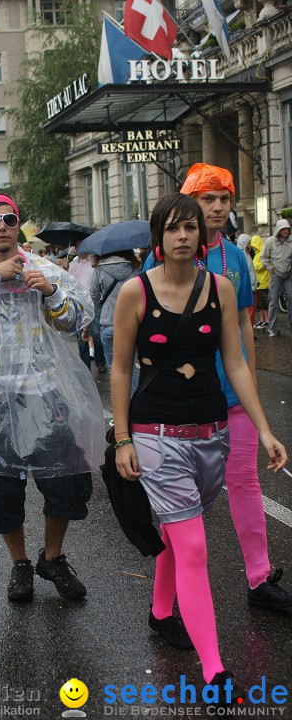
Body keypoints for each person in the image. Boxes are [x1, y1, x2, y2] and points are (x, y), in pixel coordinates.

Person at [112, 192, 287, 704]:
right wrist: (123, 437)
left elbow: (235, 364)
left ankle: (161, 611)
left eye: (191, 227)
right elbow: (120, 369)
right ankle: (215, 673)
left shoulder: (223, 289)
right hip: (156, 437)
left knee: (178, 532)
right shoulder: (134, 292)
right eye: (173, 229)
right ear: (159, 239)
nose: (184, 236)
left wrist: (265, 429)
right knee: (192, 545)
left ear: (204, 235)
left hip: (211, 433)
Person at [0, 193, 104, 602]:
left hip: (46, 395)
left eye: (8, 219)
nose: (0, 227)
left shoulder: (46, 269)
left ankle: (52, 557)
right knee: (0, 493)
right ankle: (20, 564)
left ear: (18, 225)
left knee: (65, 483)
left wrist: (51, 292)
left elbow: (77, 323)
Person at [177, 163, 292, 611]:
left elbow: (245, 326)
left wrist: (253, 392)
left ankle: (259, 578)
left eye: (225, 198)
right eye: (209, 198)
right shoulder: (164, 255)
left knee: (244, 481)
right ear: (192, 201)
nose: (220, 207)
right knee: (186, 495)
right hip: (183, 400)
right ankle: (178, 595)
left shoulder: (237, 257)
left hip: (232, 396)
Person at [89, 250, 141, 372]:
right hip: (131, 324)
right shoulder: (135, 267)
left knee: (115, 369)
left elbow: (93, 299)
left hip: (108, 323)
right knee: (130, 367)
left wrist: (86, 327)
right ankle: (132, 392)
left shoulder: (99, 270)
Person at [68, 241, 107, 373]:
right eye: (76, 245)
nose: (78, 248)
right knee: (81, 337)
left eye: (80, 245)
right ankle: (85, 365)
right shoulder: (73, 265)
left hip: (95, 302)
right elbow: (69, 283)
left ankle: (100, 361)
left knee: (96, 334)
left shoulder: (94, 262)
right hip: (79, 303)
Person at [261, 218, 292, 337]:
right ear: (279, 230)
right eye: (283, 229)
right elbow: (264, 257)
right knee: (273, 301)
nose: (285, 231)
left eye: (287, 229)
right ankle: (272, 328)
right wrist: (270, 268)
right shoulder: (270, 242)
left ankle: (291, 324)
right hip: (276, 275)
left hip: (288, 275)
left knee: (291, 297)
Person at [236, 233, 258, 327]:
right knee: (249, 309)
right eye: (249, 242)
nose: (250, 244)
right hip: (247, 286)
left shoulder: (246, 253)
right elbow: (247, 271)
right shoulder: (242, 254)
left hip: (251, 285)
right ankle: (248, 330)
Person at [251, 233, 269, 330]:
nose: (253, 248)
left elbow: (262, 265)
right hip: (259, 282)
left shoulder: (262, 254)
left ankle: (266, 320)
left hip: (263, 282)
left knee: (264, 304)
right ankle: (262, 320)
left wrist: (254, 266)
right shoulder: (257, 254)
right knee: (261, 304)